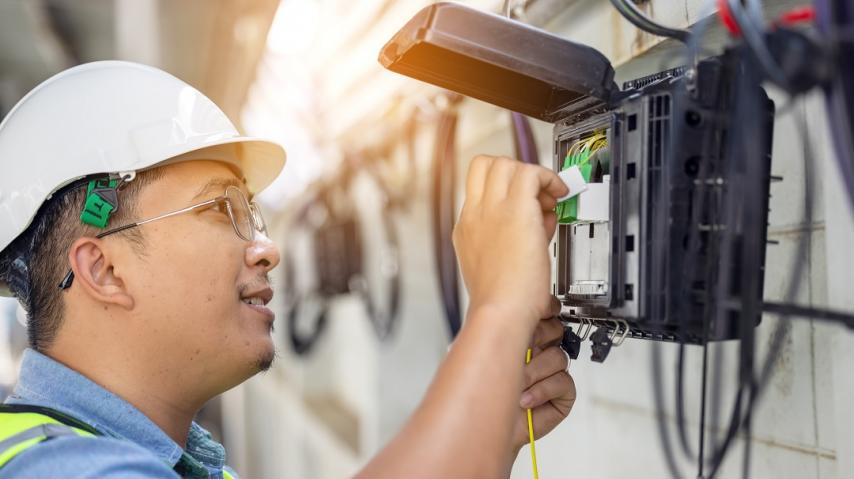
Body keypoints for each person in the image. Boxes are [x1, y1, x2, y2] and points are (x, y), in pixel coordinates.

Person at [0, 61, 575, 478]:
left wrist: (488, 428)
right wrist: (498, 311)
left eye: (251, 214)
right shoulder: (59, 469)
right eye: (222, 208)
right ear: (103, 270)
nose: (266, 248)